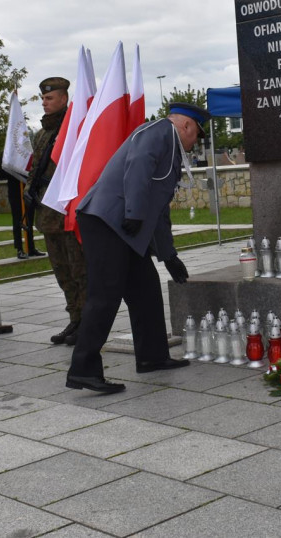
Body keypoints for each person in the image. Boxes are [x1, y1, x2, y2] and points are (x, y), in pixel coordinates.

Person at [66, 102, 210, 394]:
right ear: (187, 126)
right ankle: (83, 369)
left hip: (124, 226)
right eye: (197, 135)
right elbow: (138, 164)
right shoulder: (160, 132)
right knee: (105, 295)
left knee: (145, 290)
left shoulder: (170, 146)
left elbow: (158, 209)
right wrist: (132, 211)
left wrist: (169, 256)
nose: (196, 142)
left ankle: (152, 356)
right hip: (107, 221)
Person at [26, 77, 87, 346]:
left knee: (79, 270)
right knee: (62, 272)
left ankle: (86, 321)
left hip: (67, 214)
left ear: (64, 99)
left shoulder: (73, 128)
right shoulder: (43, 134)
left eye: (49, 98)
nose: (44, 102)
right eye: (43, 98)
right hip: (48, 215)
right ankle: (75, 319)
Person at [0, 166, 43, 259]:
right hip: (15, 191)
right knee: (17, 220)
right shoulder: (8, 153)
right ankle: (19, 248)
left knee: (29, 219)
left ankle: (31, 248)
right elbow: (2, 173)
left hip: (27, 190)